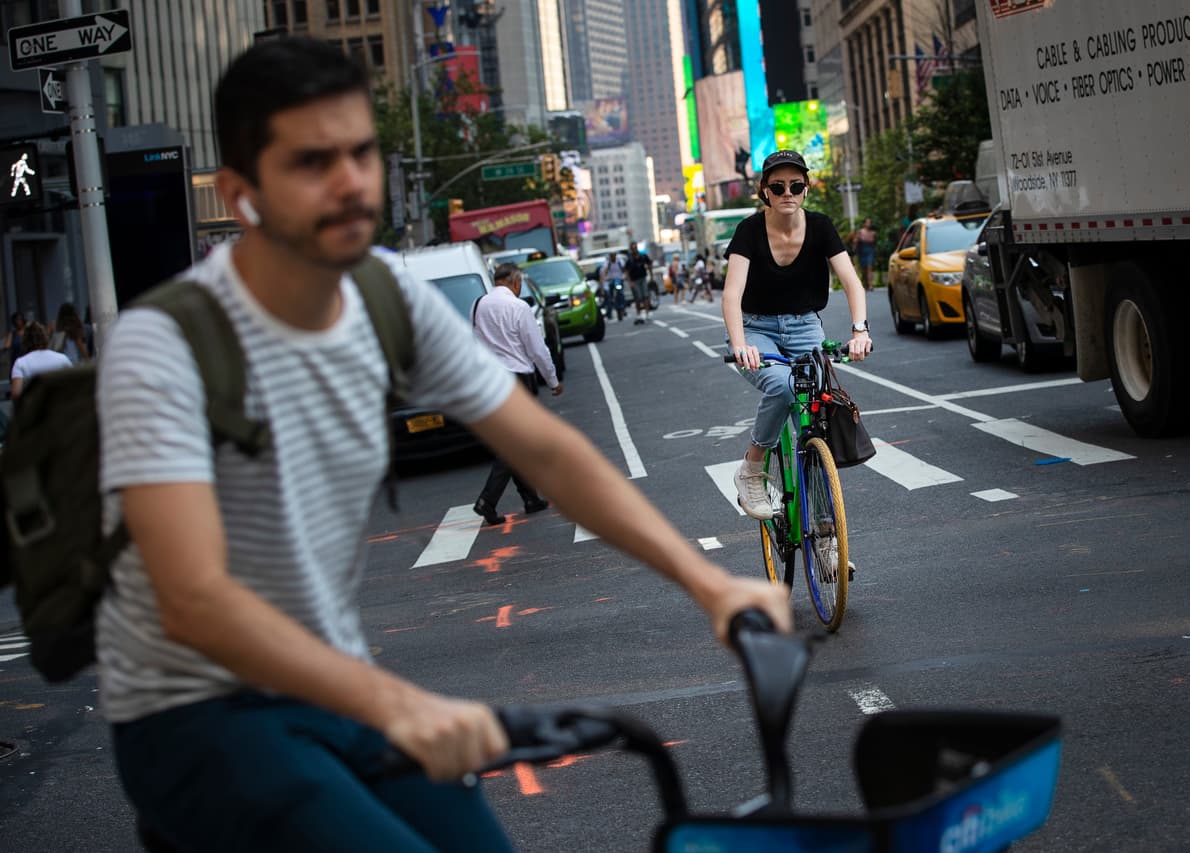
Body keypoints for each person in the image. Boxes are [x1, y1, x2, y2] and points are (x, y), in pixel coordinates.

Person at [95, 37, 790, 853]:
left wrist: (711, 584)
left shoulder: (383, 294)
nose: (350, 181)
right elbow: (193, 598)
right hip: (193, 715)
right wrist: (401, 704)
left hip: (334, 684)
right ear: (240, 193)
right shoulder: (165, 343)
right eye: (313, 162)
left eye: (361, 152)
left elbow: (547, 451)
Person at [722, 150, 873, 519]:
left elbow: (851, 282)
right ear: (765, 191)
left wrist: (859, 330)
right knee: (783, 385)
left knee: (814, 425)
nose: (787, 193)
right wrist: (740, 345)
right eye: (778, 187)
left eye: (795, 185)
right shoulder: (748, 231)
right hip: (756, 328)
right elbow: (731, 294)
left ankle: (825, 532)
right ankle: (752, 468)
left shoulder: (820, 227)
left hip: (805, 326)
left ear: (806, 188)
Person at [471, 263, 562, 526]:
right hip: (516, 380)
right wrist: (553, 380)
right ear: (516, 282)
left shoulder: (477, 305)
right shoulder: (519, 307)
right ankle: (487, 500)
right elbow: (537, 349)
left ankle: (530, 498)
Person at [9, 322, 73, 400]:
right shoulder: (62, 358)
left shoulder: (20, 363)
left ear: (25, 341)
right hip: (60, 404)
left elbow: (16, 394)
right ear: (45, 338)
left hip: (35, 405)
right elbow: (74, 383)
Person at [625, 241, 653, 324]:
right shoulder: (629, 259)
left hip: (643, 278)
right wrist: (630, 282)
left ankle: (647, 313)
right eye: (633, 248)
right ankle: (639, 314)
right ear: (631, 249)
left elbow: (649, 264)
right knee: (638, 297)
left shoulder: (643, 256)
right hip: (634, 280)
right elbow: (626, 271)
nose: (634, 249)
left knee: (646, 296)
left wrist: (651, 276)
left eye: (635, 247)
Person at [599, 251, 626, 322]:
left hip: (619, 280)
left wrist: (624, 274)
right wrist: (604, 277)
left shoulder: (620, 261)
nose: (612, 257)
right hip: (611, 280)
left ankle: (622, 306)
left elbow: (624, 270)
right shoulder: (607, 263)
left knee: (620, 292)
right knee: (610, 294)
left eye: (613, 255)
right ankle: (612, 300)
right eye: (611, 256)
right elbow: (604, 272)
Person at [853, 218, 878, 291]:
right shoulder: (860, 231)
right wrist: (855, 246)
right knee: (863, 269)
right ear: (864, 223)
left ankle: (870, 285)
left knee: (869, 267)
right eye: (867, 222)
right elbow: (855, 241)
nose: (869, 224)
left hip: (870, 250)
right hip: (862, 250)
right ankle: (865, 284)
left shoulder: (873, 233)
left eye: (870, 222)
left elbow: (875, 243)